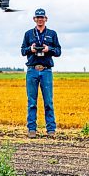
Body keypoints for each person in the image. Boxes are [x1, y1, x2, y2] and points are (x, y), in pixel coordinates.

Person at [21, 8, 61, 139]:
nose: (40, 19)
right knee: (31, 102)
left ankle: (51, 130)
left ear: (46, 19)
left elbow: (59, 51)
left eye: (42, 17)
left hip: (46, 70)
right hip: (32, 69)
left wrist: (49, 49)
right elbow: (22, 51)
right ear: (34, 19)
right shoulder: (28, 34)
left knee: (48, 101)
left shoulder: (52, 33)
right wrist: (30, 49)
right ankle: (31, 129)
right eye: (37, 17)